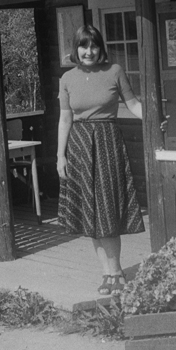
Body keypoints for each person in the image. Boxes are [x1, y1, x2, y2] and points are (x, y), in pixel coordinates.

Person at [56, 24, 145, 295]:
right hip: (80, 145)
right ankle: (106, 273)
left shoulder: (114, 71)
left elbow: (133, 104)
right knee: (89, 211)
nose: (89, 52)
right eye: (84, 46)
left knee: (107, 206)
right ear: (76, 49)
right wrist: (60, 155)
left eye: (94, 46)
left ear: (100, 48)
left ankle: (116, 270)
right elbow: (65, 118)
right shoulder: (67, 79)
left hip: (107, 142)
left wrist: (153, 117)